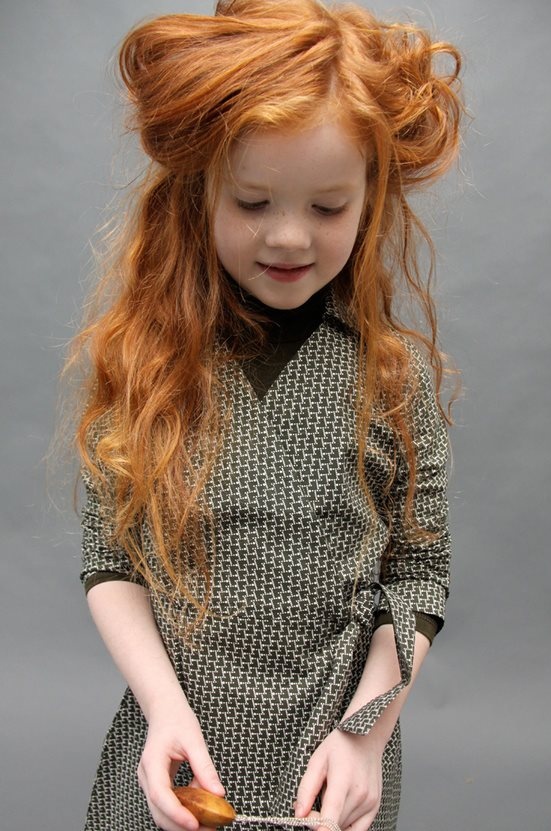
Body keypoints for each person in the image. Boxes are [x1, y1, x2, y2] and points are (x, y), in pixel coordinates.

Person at [66, 1, 464, 830]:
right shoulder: (150, 364)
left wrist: (365, 737)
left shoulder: (390, 378)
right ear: (201, 191)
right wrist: (162, 711)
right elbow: (111, 559)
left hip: (328, 771)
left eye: (327, 207)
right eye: (252, 202)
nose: (288, 237)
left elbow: (419, 574)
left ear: (370, 200)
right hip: (176, 761)